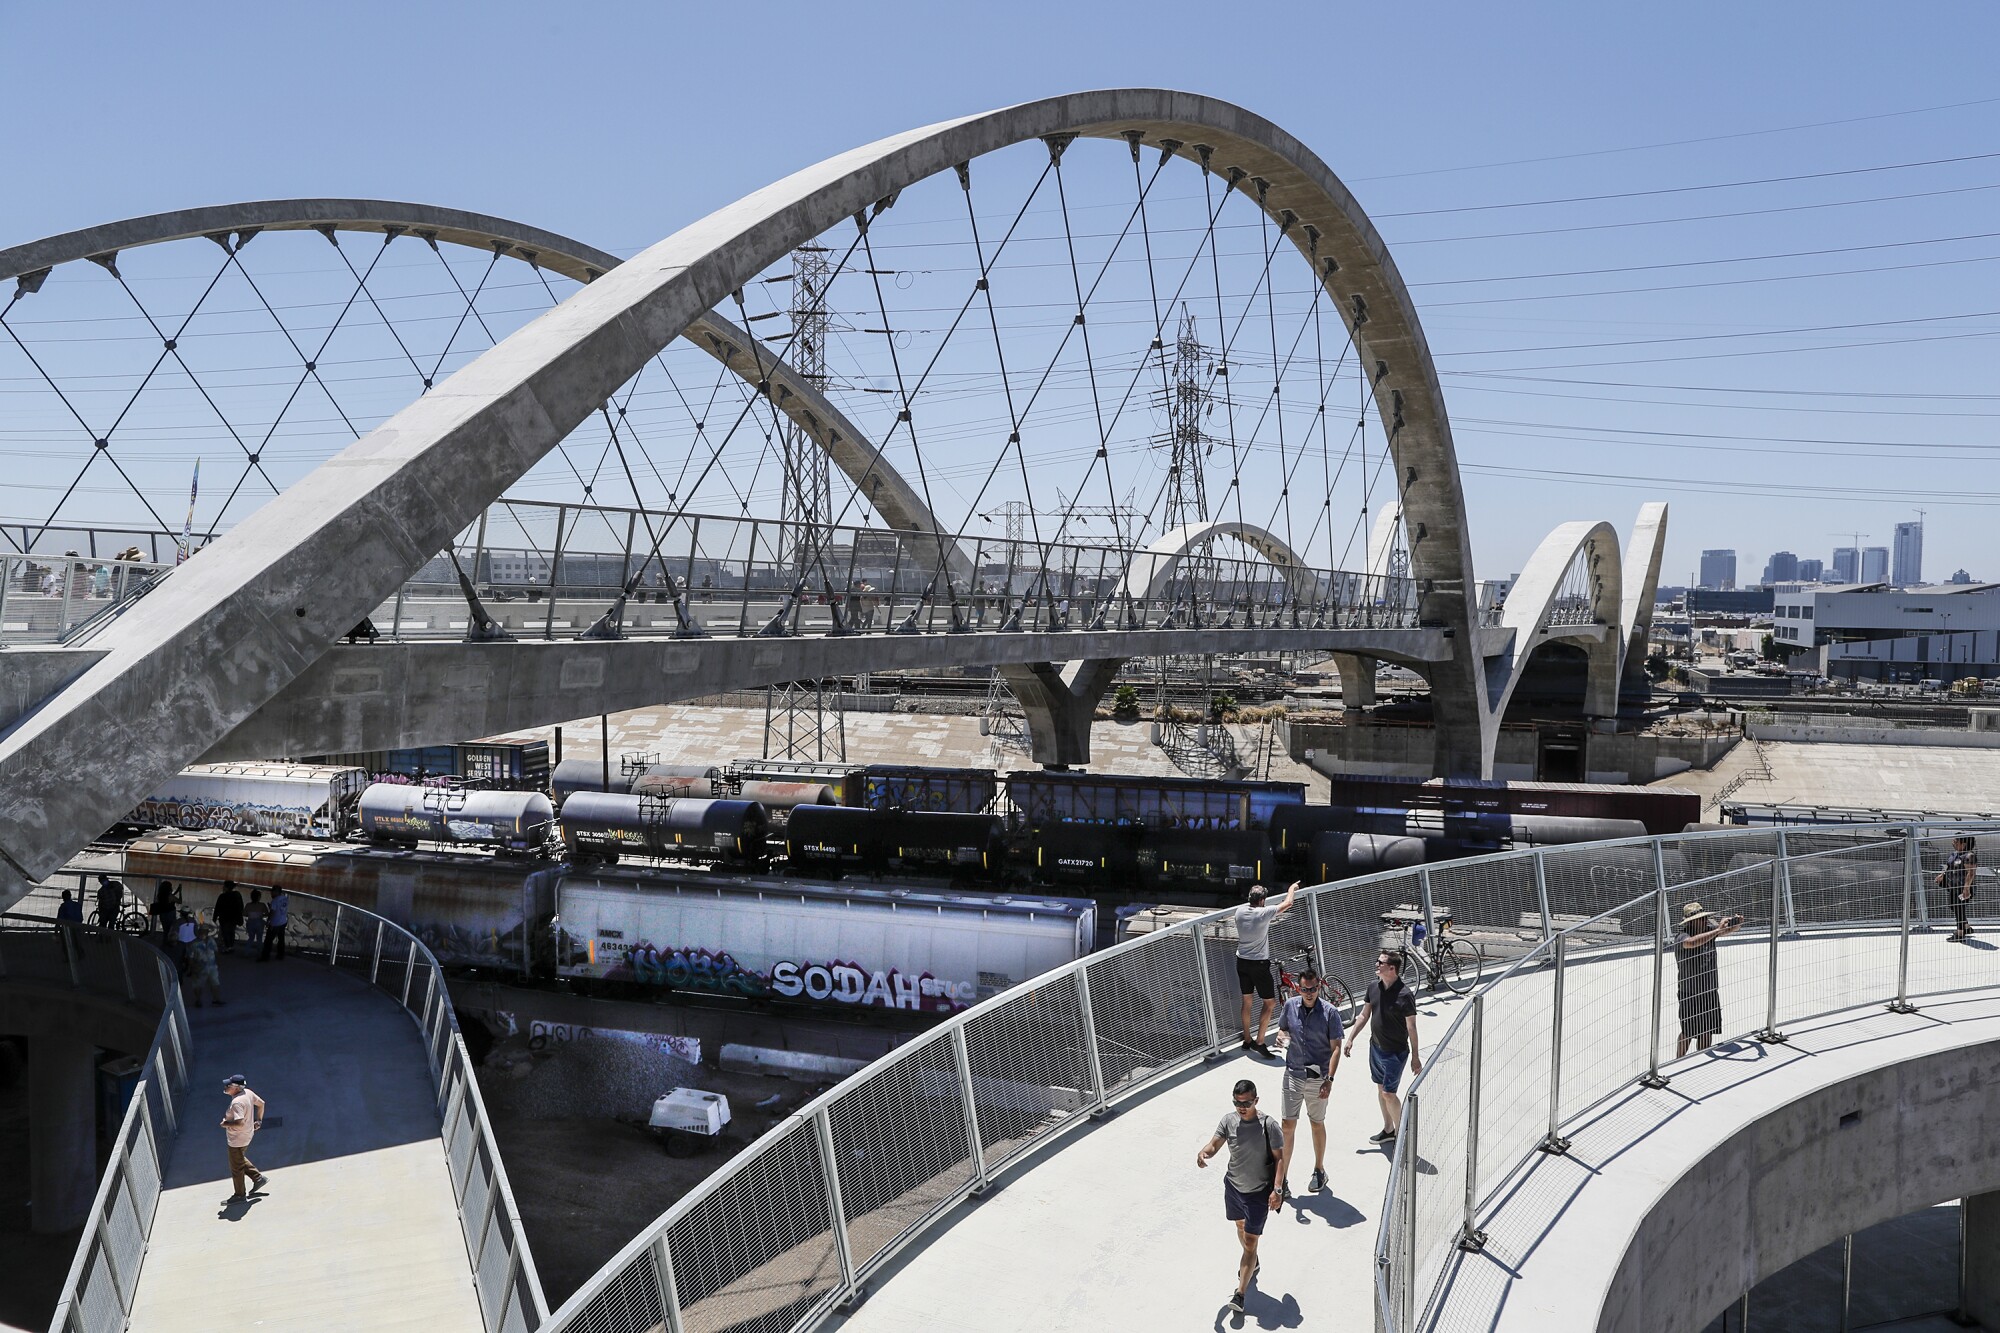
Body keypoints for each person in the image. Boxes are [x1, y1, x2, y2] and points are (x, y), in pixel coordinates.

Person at [1196, 1077, 1285, 1314]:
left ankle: (1240, 1294)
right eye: (1237, 1102)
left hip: (1257, 1194)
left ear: (1256, 1100)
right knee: (1239, 1226)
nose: (1241, 1107)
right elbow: (1214, 1145)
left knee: (1250, 1241)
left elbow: (1279, 1158)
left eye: (1246, 1102)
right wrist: (1205, 1153)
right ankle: (1252, 1261)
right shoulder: (1229, 1120)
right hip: (1233, 1188)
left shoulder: (1269, 1125)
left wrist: (1277, 1190)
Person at [1273, 966, 1343, 1196]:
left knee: (1316, 1123)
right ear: (1299, 988)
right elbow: (1283, 1029)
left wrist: (1329, 1080)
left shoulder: (1331, 1013)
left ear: (1319, 987)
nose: (1309, 993)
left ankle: (1319, 1169)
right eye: (1304, 989)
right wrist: (1282, 1038)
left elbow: (1336, 1049)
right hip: (1293, 1073)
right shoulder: (1291, 1006)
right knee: (1287, 1126)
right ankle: (1281, 1181)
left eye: (1313, 989)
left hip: (1317, 1079)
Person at [1345, 951, 1421, 1146]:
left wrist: (1415, 1057)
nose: (1376, 964)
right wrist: (1351, 1038)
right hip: (1376, 1048)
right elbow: (1364, 1015)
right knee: (1381, 1089)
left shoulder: (1405, 995)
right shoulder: (1373, 987)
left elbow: (1411, 1027)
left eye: (1380, 962)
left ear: (1392, 968)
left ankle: (1402, 1134)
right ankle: (1389, 1130)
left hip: (1395, 1053)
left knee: (1388, 1093)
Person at [1233, 881, 1300, 1056]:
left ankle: (1247, 1040)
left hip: (1241, 961)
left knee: (1247, 1001)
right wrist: (1291, 889)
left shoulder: (1239, 912)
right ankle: (1260, 1042)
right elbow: (1288, 903)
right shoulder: (1264, 913)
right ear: (1262, 900)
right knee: (1269, 1003)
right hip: (1259, 965)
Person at [1675, 901, 1744, 1057]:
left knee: (1707, 1029)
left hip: (1710, 990)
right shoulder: (1682, 936)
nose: (1704, 921)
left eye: (1704, 918)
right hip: (1690, 992)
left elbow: (1728, 930)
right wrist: (1718, 930)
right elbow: (1691, 943)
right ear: (1691, 922)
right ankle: (1678, 1061)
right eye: (1701, 919)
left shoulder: (1710, 931)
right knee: (1688, 1031)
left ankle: (1701, 1058)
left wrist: (1736, 923)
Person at [219, 1075, 268, 1201]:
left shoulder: (237, 1103)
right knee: (238, 1159)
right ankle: (258, 1178)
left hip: (237, 1139)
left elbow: (239, 1122)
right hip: (247, 1134)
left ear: (236, 1087)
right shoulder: (248, 1093)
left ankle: (239, 1195)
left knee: (236, 1167)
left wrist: (226, 1124)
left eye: (228, 1085)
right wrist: (259, 1121)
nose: (225, 1087)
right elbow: (261, 1104)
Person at [1940, 836, 1980, 942]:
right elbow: (1950, 867)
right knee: (1953, 906)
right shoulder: (1954, 855)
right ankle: (1966, 927)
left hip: (1965, 888)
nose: (1953, 842)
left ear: (1963, 844)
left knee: (1959, 907)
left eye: (1956, 841)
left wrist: (1966, 888)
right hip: (1953, 887)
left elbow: (1971, 873)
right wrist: (1942, 875)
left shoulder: (1969, 856)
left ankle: (1960, 932)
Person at [185, 925, 225, 1007]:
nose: (203, 933)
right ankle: (198, 1000)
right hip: (199, 967)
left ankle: (216, 999)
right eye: (202, 931)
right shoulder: (194, 943)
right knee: (198, 985)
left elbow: (216, 951)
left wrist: (217, 963)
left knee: (215, 983)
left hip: (212, 966)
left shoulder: (211, 940)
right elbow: (190, 957)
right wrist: (192, 967)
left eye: (205, 931)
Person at [214, 880, 245, 954]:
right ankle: (231, 946)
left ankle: (228, 947)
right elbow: (241, 907)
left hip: (224, 918)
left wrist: (214, 917)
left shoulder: (222, 896)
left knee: (225, 933)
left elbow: (217, 907)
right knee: (231, 932)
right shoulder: (237, 895)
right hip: (233, 918)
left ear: (227, 887)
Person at [259, 888, 289, 961]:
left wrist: (268, 921)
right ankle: (280, 955)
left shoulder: (275, 901)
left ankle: (265, 957)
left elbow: (272, 912)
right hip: (283, 921)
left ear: (276, 892)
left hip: (275, 923)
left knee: (268, 941)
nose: (271, 894)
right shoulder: (285, 898)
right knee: (281, 939)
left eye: (272, 892)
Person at [244, 889, 269, 953]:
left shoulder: (248, 905)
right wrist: (261, 915)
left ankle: (246, 951)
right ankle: (259, 952)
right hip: (259, 922)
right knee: (259, 938)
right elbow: (267, 913)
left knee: (251, 938)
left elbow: (244, 913)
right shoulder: (262, 905)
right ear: (259, 897)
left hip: (250, 922)